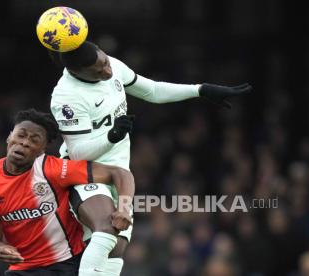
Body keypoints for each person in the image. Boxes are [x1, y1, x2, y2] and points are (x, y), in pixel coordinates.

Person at [49, 41, 252, 275]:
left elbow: (153, 91)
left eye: (104, 61)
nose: (107, 71)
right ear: (78, 72)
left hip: (119, 174)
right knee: (107, 229)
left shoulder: (112, 65)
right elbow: (77, 154)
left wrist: (200, 89)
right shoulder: (66, 96)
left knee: (116, 249)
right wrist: (112, 136)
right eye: (98, 71)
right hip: (84, 172)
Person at [0, 109, 135, 276]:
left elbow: (121, 174)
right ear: (9, 137)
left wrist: (123, 209)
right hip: (22, 270)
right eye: (21, 135)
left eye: (34, 140)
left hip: (66, 265)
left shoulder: (54, 170)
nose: (25, 143)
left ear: (42, 150)